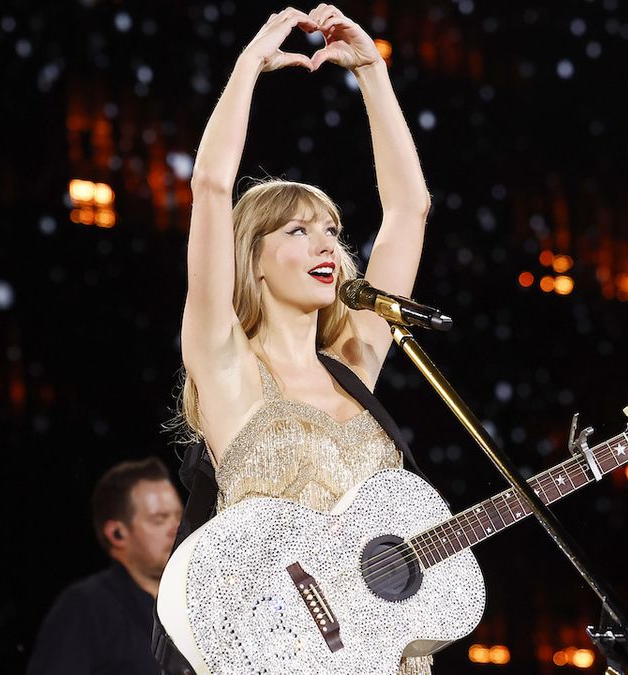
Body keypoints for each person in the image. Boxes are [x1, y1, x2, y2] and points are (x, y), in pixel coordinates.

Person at [158, 5, 436, 674]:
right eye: (298, 230)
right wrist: (249, 64)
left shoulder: (354, 362)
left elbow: (409, 208)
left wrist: (372, 72)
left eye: (333, 231)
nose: (327, 245)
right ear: (249, 259)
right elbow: (211, 184)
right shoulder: (227, 365)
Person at [28, 457, 183, 675]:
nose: (176, 529)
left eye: (179, 516)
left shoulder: (193, 600)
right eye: (159, 519)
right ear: (117, 534)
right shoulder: (84, 607)